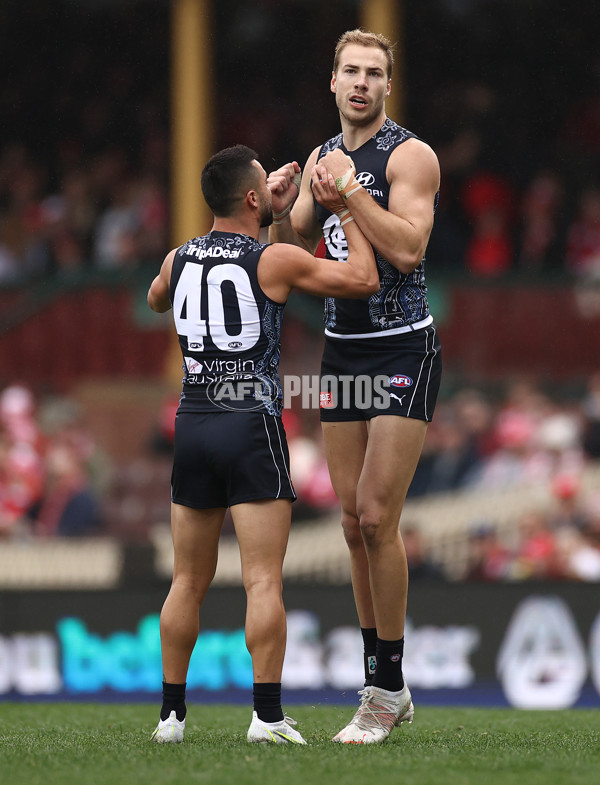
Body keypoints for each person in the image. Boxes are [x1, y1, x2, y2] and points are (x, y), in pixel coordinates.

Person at [147, 144, 377, 744]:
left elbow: (155, 298)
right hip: (250, 422)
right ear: (254, 197)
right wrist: (347, 211)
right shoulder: (272, 261)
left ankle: (171, 716)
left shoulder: (179, 257)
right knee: (262, 580)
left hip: (194, 419)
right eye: (265, 188)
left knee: (186, 581)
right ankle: (267, 717)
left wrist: (263, 215)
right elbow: (363, 278)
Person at [268, 29, 442, 743]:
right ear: (333, 83)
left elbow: (407, 246)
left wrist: (348, 199)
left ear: (388, 86)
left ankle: (385, 687)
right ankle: (381, 680)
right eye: (350, 71)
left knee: (376, 516)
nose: (362, 81)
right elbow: (297, 234)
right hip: (343, 351)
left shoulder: (411, 156)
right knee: (347, 522)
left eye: (374, 71)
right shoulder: (320, 157)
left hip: (403, 346)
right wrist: (281, 202)